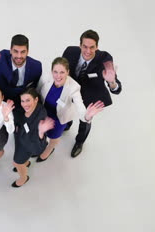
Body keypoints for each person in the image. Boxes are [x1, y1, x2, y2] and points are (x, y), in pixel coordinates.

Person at [62, 29, 123, 157]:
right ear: (80, 45)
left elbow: (116, 89)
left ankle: (79, 142)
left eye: (92, 47)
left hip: (90, 95)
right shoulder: (69, 52)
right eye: (85, 46)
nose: (88, 51)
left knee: (85, 120)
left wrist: (112, 82)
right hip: (71, 90)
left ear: (97, 47)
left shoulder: (105, 59)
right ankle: (67, 123)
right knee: (65, 108)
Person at [36, 57, 104, 162]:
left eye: (62, 72)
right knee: (41, 131)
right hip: (43, 112)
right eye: (55, 72)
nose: (58, 76)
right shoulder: (46, 77)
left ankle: (50, 149)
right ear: (51, 71)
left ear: (68, 72)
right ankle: (40, 145)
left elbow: (79, 105)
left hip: (59, 117)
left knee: (54, 137)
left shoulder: (74, 87)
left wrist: (87, 116)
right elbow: (37, 91)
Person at [12, 87, 54, 187]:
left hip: (29, 144)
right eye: (22, 101)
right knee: (21, 160)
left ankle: (23, 178)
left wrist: (40, 133)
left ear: (36, 99)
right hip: (20, 138)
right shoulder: (25, 109)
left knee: (17, 163)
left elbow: (38, 148)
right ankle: (26, 163)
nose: (25, 104)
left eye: (28, 100)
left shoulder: (40, 116)